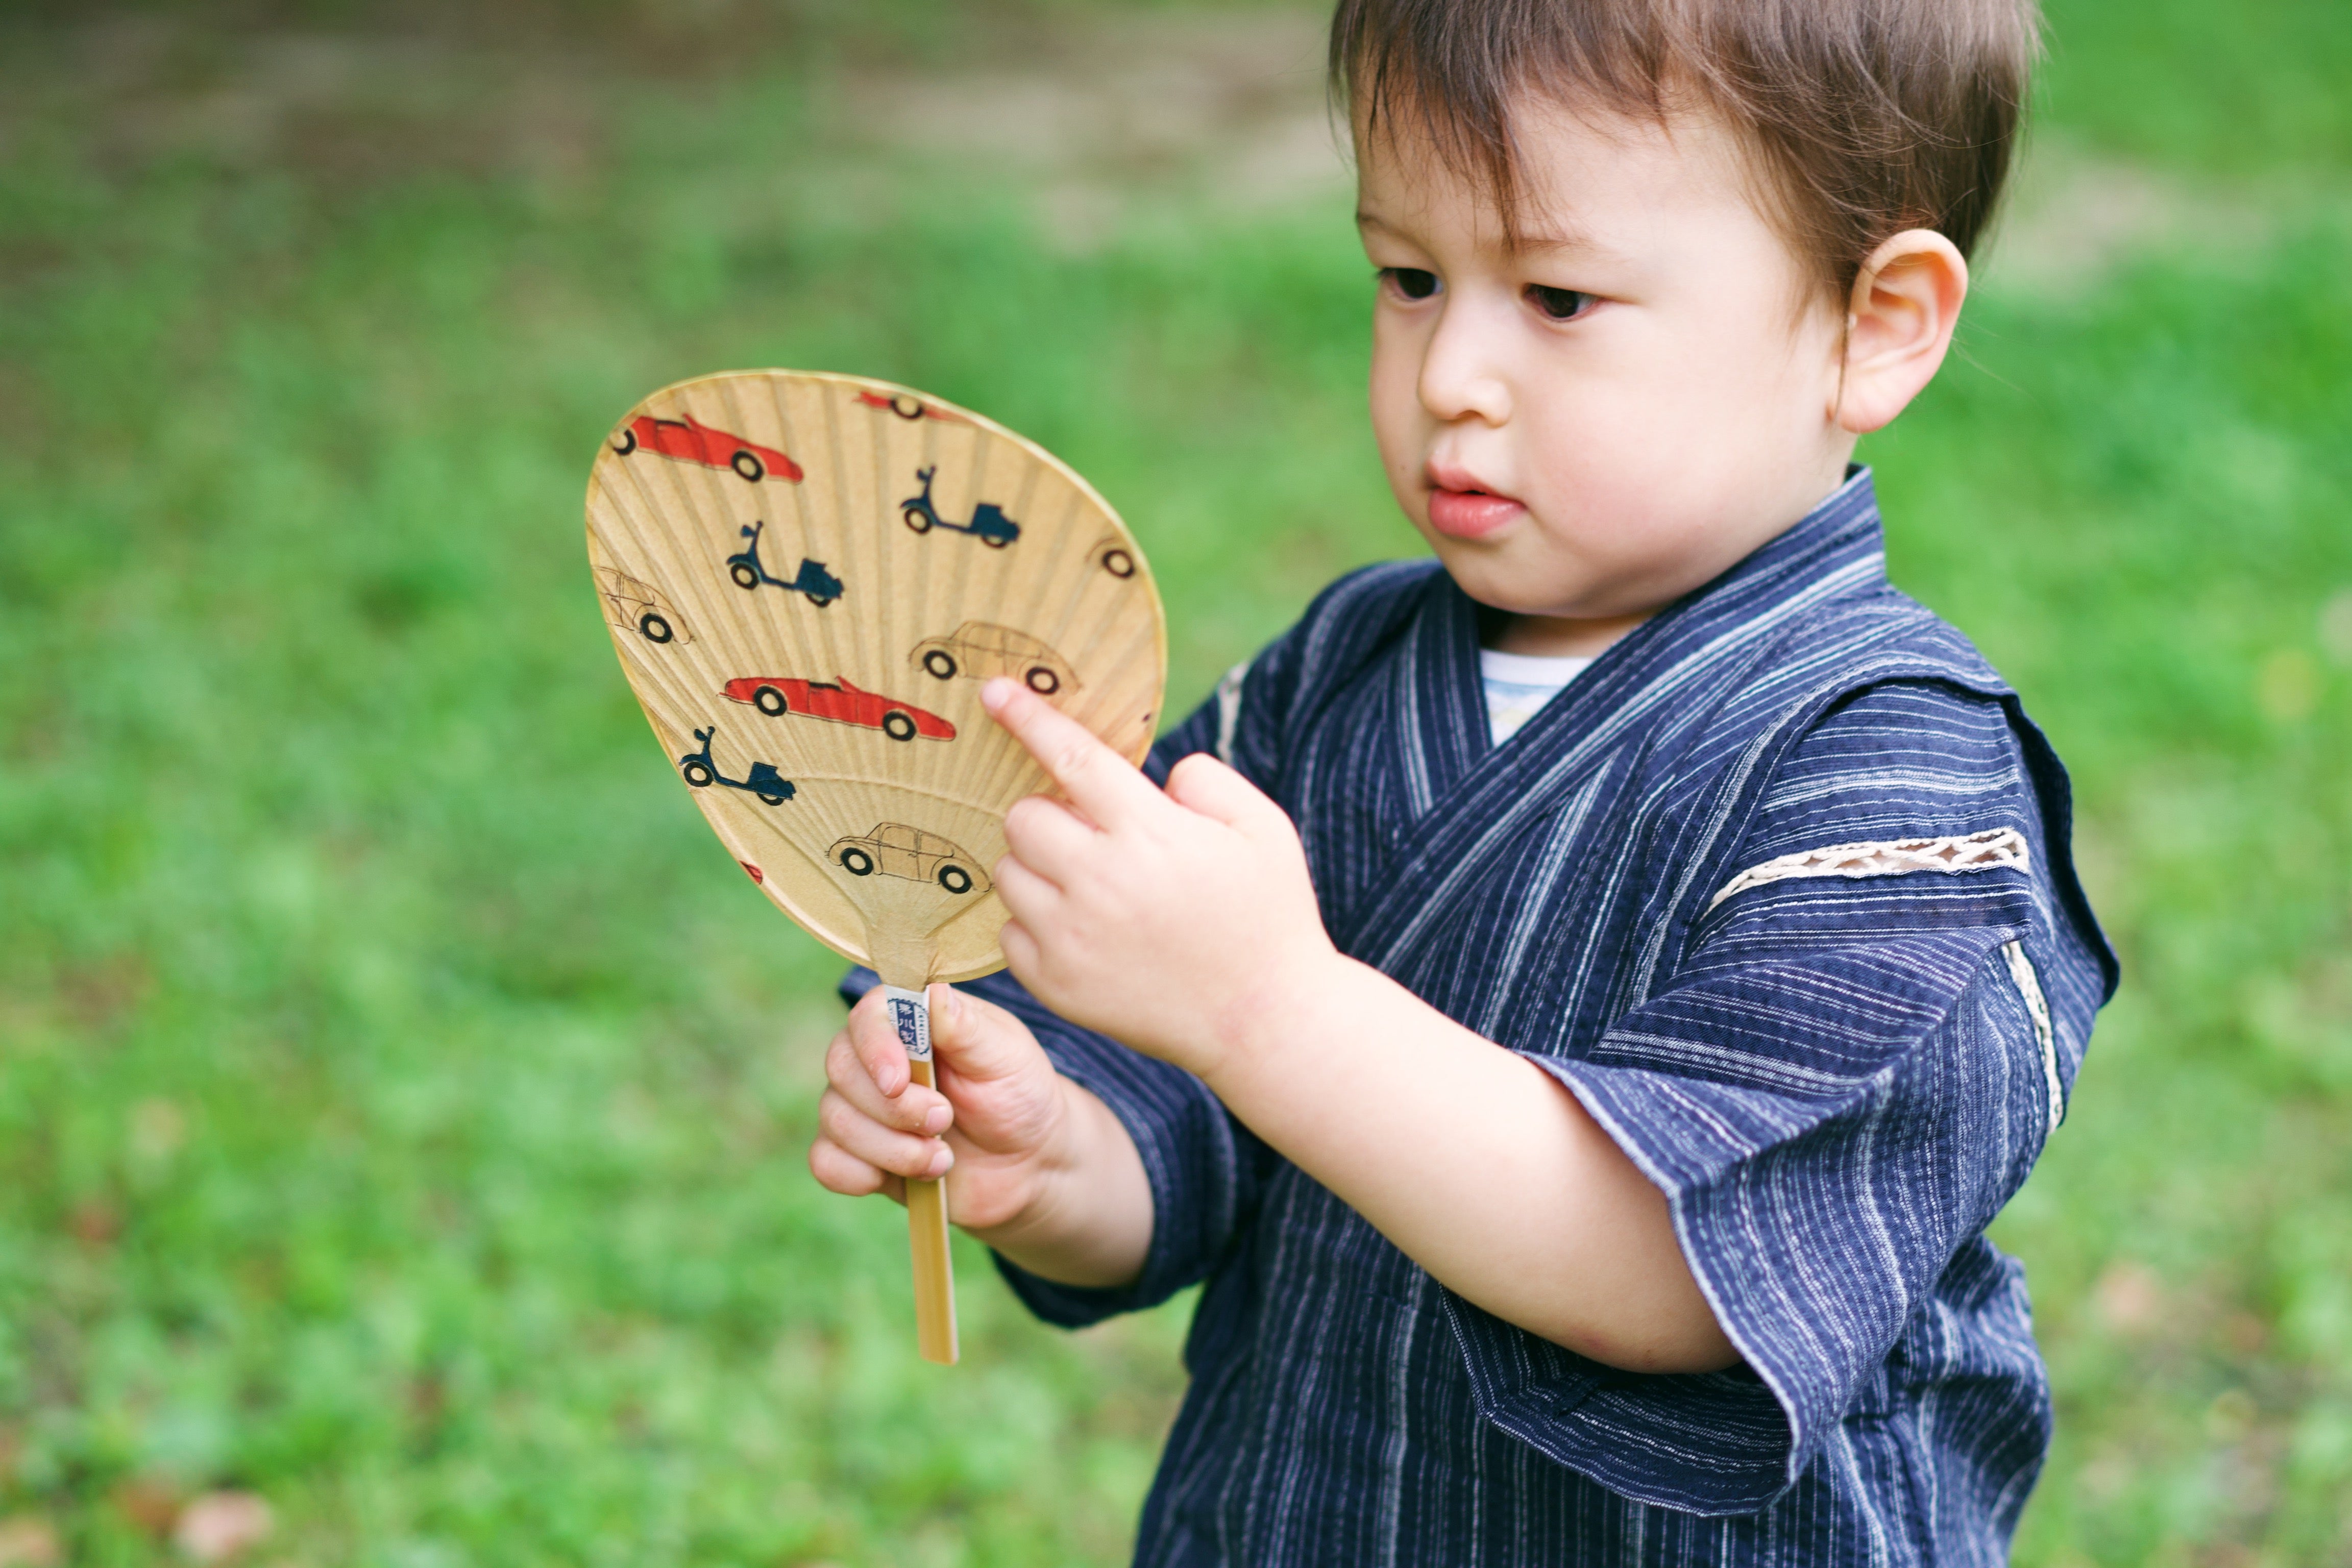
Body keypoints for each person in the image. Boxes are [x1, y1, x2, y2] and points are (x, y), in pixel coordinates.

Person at [810, 0, 2117, 1558]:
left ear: (1875, 321)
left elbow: (1681, 1268)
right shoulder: (1342, 668)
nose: (1454, 375)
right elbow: (1186, 1132)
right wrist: (1057, 1153)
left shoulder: (1894, 785)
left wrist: (1264, 1011)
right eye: (1410, 279)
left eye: (1559, 296)